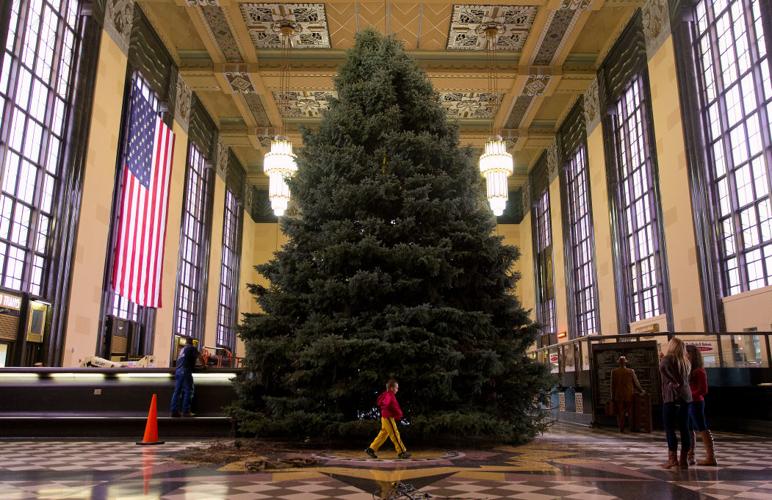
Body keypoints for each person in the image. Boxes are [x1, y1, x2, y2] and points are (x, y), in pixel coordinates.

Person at [659, 337, 692, 469]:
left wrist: (661, 359)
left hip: (672, 397)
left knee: (669, 428)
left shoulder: (667, 359)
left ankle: (672, 460)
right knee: (685, 428)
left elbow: (662, 369)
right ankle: (684, 460)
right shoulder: (685, 361)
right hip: (686, 397)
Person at [687, 345, 718, 466]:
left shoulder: (699, 371)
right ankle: (691, 455)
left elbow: (703, 390)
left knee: (701, 427)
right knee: (689, 428)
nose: (685, 356)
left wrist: (691, 394)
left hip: (696, 402)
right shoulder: (690, 370)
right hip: (690, 402)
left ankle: (711, 457)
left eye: (687, 354)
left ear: (692, 355)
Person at [365, 379, 410, 459]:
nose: (397, 389)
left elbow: (386, 404)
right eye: (396, 388)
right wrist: (398, 413)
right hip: (388, 417)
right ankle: (402, 452)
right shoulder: (390, 395)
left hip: (385, 416)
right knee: (395, 434)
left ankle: (371, 449)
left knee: (383, 434)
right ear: (392, 388)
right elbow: (390, 404)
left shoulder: (386, 394)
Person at [170, 337, 205, 417]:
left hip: (178, 371)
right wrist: (204, 365)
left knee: (177, 391)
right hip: (185, 371)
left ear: (185, 342)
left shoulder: (182, 350)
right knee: (188, 390)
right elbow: (200, 357)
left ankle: (174, 411)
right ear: (192, 342)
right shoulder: (192, 348)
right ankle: (186, 411)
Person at [610, 355, 645, 432]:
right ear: (625, 363)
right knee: (630, 412)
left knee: (620, 412)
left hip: (618, 395)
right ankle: (631, 427)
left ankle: (621, 428)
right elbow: (636, 383)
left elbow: (612, 386)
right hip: (629, 394)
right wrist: (641, 390)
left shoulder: (614, 372)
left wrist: (612, 397)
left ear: (619, 363)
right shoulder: (630, 371)